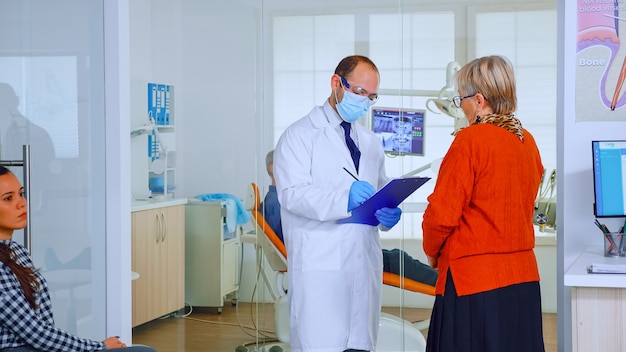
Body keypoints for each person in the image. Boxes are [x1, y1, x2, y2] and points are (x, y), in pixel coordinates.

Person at [274, 55, 403, 352]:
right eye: (360, 93)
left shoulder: (369, 142)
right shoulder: (299, 136)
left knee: (358, 345)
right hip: (321, 265)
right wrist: (343, 199)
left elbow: (380, 187)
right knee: (321, 342)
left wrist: (388, 210)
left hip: (362, 259)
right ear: (336, 83)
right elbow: (292, 194)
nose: (365, 102)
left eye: (371, 96)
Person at [422, 55, 545, 352]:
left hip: (472, 284)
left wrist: (432, 253)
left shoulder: (470, 141)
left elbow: (441, 215)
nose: (459, 105)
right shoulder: (527, 141)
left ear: (478, 101)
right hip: (524, 279)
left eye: (460, 98)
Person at [0, 166, 156, 352]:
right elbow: (37, 333)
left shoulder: (17, 251)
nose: (22, 203)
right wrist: (99, 347)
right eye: (8, 198)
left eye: (21, 194)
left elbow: (43, 330)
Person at [262, 149, 437, 286]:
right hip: (327, 255)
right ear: (272, 168)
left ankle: (442, 282)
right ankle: (443, 285)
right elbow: (295, 239)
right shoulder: (277, 202)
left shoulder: (279, 200)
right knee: (397, 259)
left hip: (332, 249)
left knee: (395, 256)